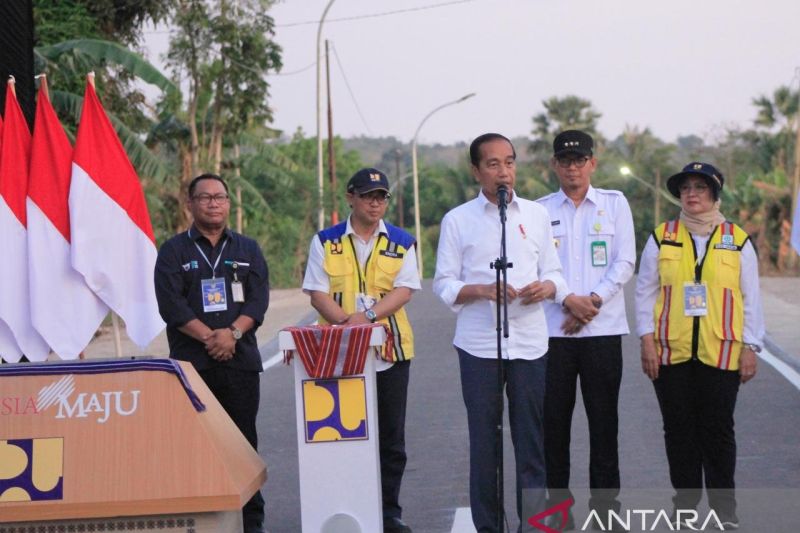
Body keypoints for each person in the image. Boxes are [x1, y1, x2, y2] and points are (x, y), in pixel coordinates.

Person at [433, 133, 568, 532]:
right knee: (485, 445)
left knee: (531, 444)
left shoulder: (536, 215)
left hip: (529, 344)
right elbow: (443, 283)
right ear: (476, 171)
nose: (503, 171)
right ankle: (490, 527)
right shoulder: (458, 219)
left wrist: (548, 288)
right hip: (478, 347)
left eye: (509, 162)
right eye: (492, 164)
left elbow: (555, 273)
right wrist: (478, 290)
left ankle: (535, 526)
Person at [635, 162, 764, 531]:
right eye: (686, 188)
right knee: (678, 432)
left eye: (701, 188)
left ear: (714, 194)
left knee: (719, 432)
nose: (692, 194)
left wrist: (750, 347)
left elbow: (750, 297)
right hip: (670, 353)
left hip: (721, 352)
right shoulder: (662, 236)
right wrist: (646, 339)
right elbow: (645, 292)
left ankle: (724, 509)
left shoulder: (736, 239)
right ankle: (686, 506)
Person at [302, 167, 420, 533]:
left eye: (381, 196)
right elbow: (317, 291)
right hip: (336, 354)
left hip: (390, 352)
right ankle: (344, 507)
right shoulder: (326, 241)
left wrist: (365, 318)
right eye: (368, 195)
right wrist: (345, 325)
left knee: (391, 440)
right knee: (339, 435)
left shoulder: (402, 241)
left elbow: (405, 289)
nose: (375, 202)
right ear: (350, 197)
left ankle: (388, 513)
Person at [154, 173, 269, 533]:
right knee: (199, 446)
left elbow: (258, 299)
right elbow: (171, 306)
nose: (214, 203)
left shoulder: (247, 249)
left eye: (220, 197)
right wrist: (211, 338)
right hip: (194, 366)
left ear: (229, 203)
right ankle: (205, 521)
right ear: (190, 204)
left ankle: (251, 521)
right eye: (205, 197)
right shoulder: (173, 252)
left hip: (241, 363)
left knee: (243, 442)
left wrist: (233, 334)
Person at [536, 130, 635, 526]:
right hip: (553, 334)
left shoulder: (614, 204)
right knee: (554, 430)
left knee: (604, 425)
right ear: (554, 165)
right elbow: (540, 267)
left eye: (579, 160)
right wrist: (567, 301)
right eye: (565, 160)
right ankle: (558, 511)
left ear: (593, 163)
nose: (572, 167)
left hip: (602, 332)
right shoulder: (540, 211)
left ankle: (606, 512)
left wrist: (591, 302)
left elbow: (625, 261)